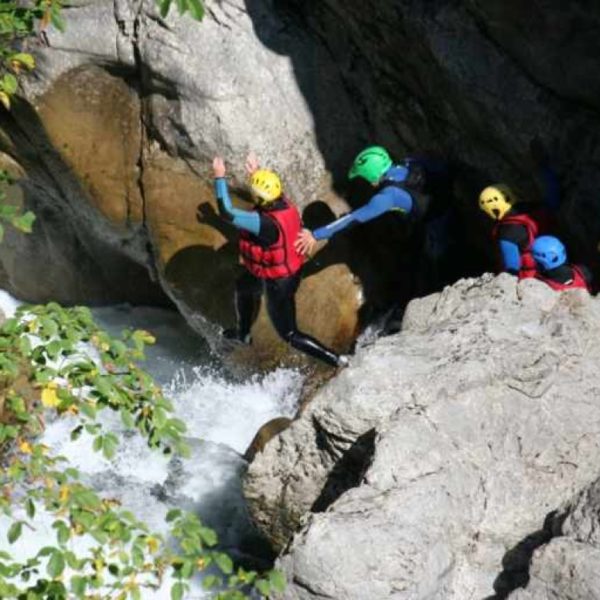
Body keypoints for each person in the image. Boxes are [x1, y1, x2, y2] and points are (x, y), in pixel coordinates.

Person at [211, 154, 348, 368]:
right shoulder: (285, 202)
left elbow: (227, 212)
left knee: (290, 334)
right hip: (287, 272)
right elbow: (267, 192)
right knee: (244, 286)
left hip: (279, 283)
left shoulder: (264, 223)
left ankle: (337, 359)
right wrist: (256, 173)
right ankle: (244, 334)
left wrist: (219, 178)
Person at [295, 146, 441, 256]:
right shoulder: (409, 162)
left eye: (364, 178)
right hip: (442, 201)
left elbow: (352, 219)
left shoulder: (387, 197)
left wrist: (315, 235)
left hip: (436, 225)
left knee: (435, 259)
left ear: (372, 176)